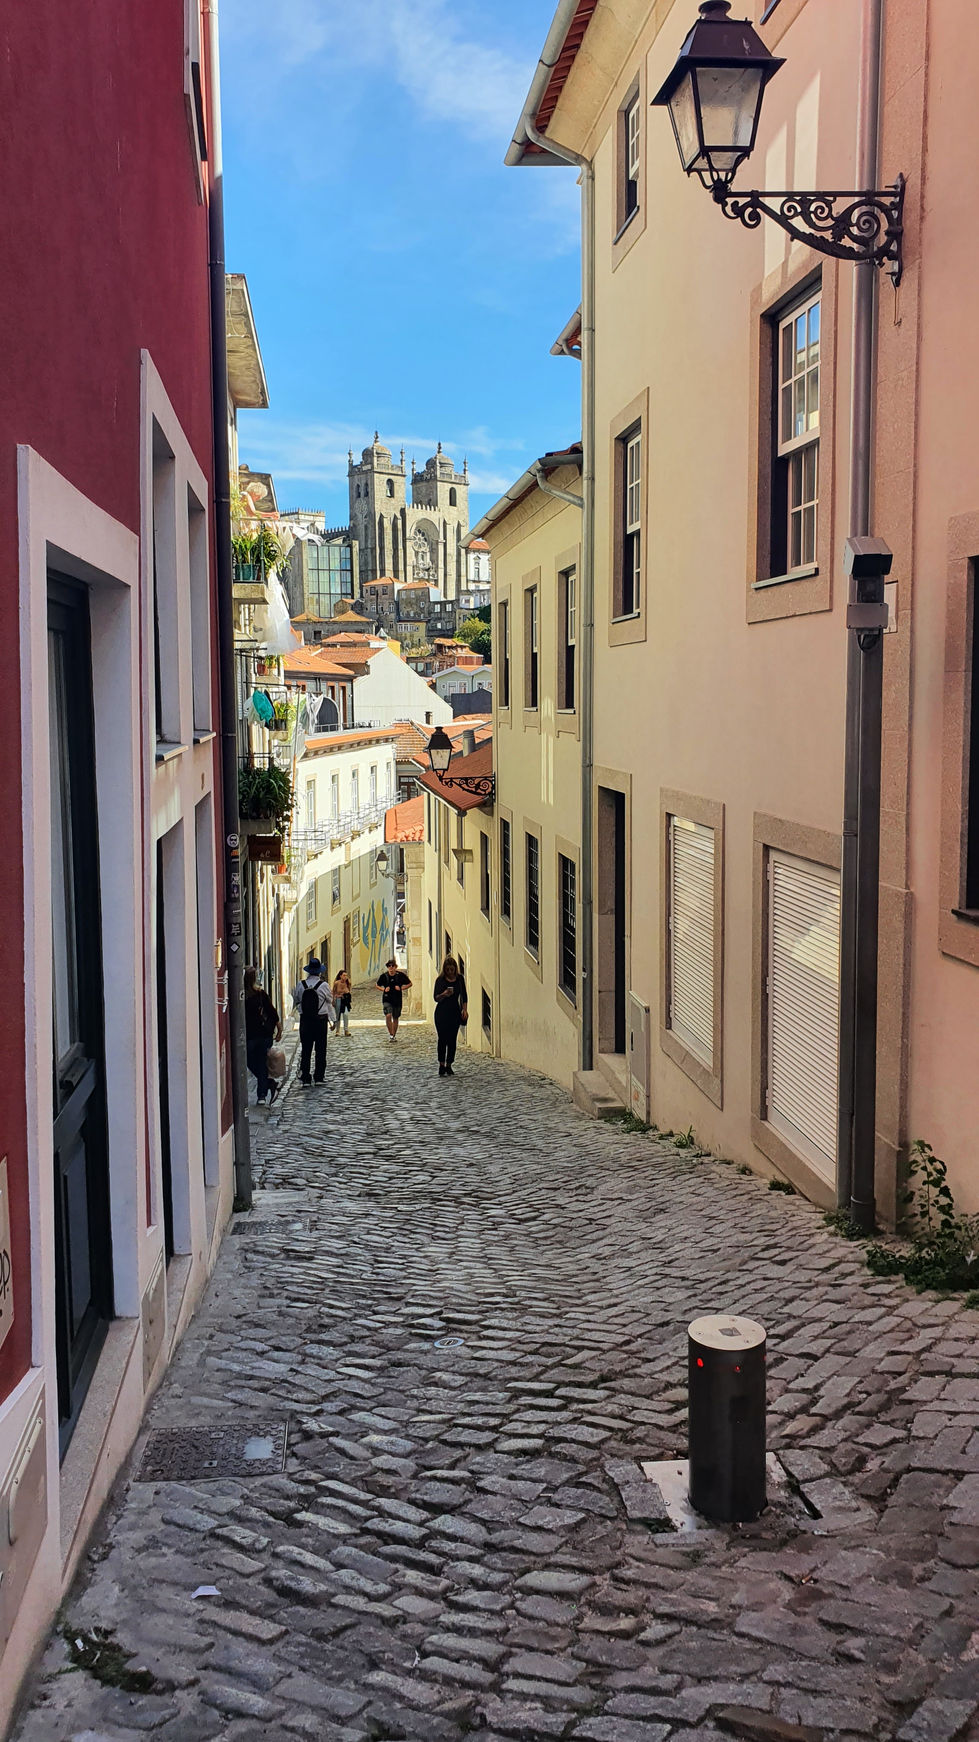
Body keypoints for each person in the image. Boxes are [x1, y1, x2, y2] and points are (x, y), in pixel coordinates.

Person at [244, 966, 282, 1106]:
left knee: (257, 1062)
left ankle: (262, 1094)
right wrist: (279, 1029)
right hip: (258, 1035)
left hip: (258, 1035)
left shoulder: (258, 994)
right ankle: (268, 1084)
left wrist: (279, 1029)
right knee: (257, 1063)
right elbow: (273, 1012)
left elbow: (271, 1012)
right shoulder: (248, 995)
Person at [296, 957, 334, 1087]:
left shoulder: (301, 985)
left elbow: (297, 1000)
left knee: (306, 1050)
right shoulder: (324, 985)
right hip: (320, 1021)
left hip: (305, 1021)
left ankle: (306, 1078)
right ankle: (319, 1077)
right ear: (319, 972)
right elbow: (329, 1002)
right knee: (320, 1050)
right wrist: (333, 1020)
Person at [433, 954, 467, 1077]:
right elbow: (435, 998)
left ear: (455, 969)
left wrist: (464, 1010)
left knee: (452, 1039)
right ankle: (441, 1064)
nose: (450, 972)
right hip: (441, 1012)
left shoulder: (460, 979)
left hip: (454, 1012)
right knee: (442, 1039)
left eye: (452, 969)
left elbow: (464, 996)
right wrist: (444, 994)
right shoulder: (440, 980)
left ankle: (449, 1064)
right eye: (448, 970)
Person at [376, 958, 412, 1040]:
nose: (391, 967)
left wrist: (401, 988)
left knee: (395, 1017)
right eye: (389, 966)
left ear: (395, 967)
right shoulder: (384, 976)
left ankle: (393, 1035)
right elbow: (377, 985)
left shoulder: (400, 975)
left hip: (397, 999)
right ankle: (391, 1034)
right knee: (388, 1015)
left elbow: (410, 984)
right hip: (387, 999)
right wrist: (384, 989)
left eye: (392, 966)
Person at [332, 968, 352, 1036]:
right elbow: (333, 991)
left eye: (346, 975)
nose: (345, 977)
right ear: (340, 976)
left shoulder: (348, 983)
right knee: (338, 1015)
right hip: (338, 999)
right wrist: (333, 1000)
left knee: (346, 1014)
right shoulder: (336, 983)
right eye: (344, 975)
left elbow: (349, 990)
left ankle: (346, 1030)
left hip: (345, 1000)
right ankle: (337, 1030)